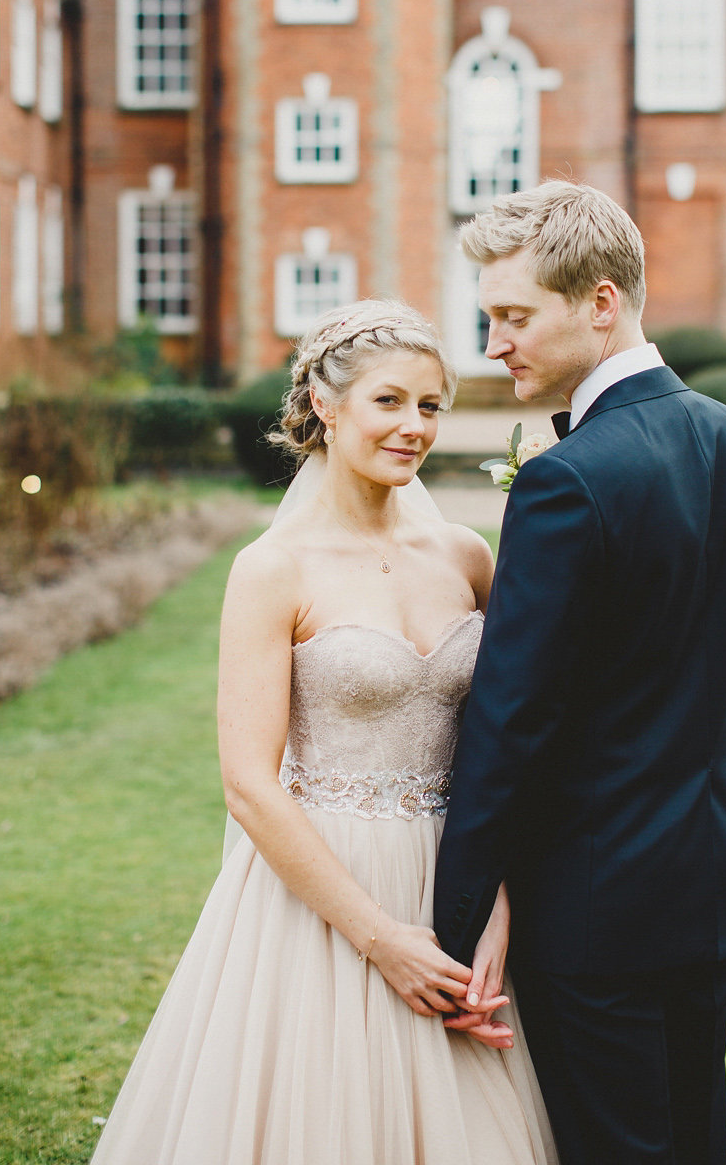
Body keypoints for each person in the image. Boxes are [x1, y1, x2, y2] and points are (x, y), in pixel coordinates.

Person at [91, 299, 557, 1165]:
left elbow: (502, 747)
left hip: (453, 879)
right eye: (390, 401)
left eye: (430, 406)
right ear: (322, 403)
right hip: (323, 898)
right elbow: (249, 785)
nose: (414, 427)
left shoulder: (467, 555)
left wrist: (494, 907)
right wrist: (382, 940)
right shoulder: (273, 570)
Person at [434, 181, 726, 1165]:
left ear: (601, 302)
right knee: (694, 1140)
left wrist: (454, 923)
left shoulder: (567, 480)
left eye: (512, 316)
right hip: (710, 886)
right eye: (488, 318)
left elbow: (513, 718)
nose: (494, 343)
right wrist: (717, 824)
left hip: (593, 912)